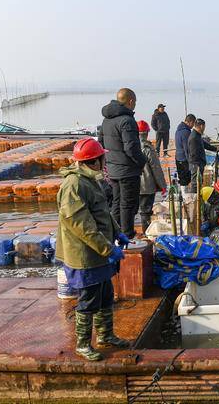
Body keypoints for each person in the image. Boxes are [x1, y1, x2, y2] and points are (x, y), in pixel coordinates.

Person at [55, 138, 130, 361]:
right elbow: (82, 226)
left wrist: (117, 232)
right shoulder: (73, 185)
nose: (105, 162)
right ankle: (82, 344)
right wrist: (108, 249)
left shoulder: (90, 180)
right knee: (89, 299)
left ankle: (106, 335)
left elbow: (103, 213)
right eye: (102, 158)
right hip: (85, 256)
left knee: (105, 294)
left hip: (99, 253)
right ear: (93, 161)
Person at [101, 88, 147, 239]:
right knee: (128, 204)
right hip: (128, 170)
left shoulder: (106, 119)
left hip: (113, 170)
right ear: (131, 101)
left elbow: (101, 144)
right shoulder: (127, 120)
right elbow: (131, 148)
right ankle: (127, 235)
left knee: (117, 202)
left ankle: (115, 233)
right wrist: (142, 162)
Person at [137, 120, 166, 235]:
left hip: (133, 184)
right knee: (146, 212)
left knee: (132, 211)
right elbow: (156, 169)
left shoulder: (128, 146)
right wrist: (163, 186)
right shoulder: (147, 148)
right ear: (147, 133)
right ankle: (147, 233)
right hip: (146, 186)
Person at [187, 118, 219, 194]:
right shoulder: (194, 137)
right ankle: (194, 200)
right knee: (195, 183)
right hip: (196, 164)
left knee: (199, 183)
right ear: (201, 126)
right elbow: (193, 154)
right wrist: (199, 164)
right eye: (204, 127)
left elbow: (204, 144)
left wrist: (215, 148)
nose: (204, 129)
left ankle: (197, 198)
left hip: (199, 164)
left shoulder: (197, 135)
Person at [174, 113, 196, 189]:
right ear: (190, 122)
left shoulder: (178, 130)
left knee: (182, 179)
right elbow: (187, 149)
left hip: (178, 158)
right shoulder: (186, 132)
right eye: (193, 123)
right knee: (186, 181)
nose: (193, 126)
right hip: (184, 160)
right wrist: (191, 163)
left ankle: (183, 195)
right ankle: (186, 198)